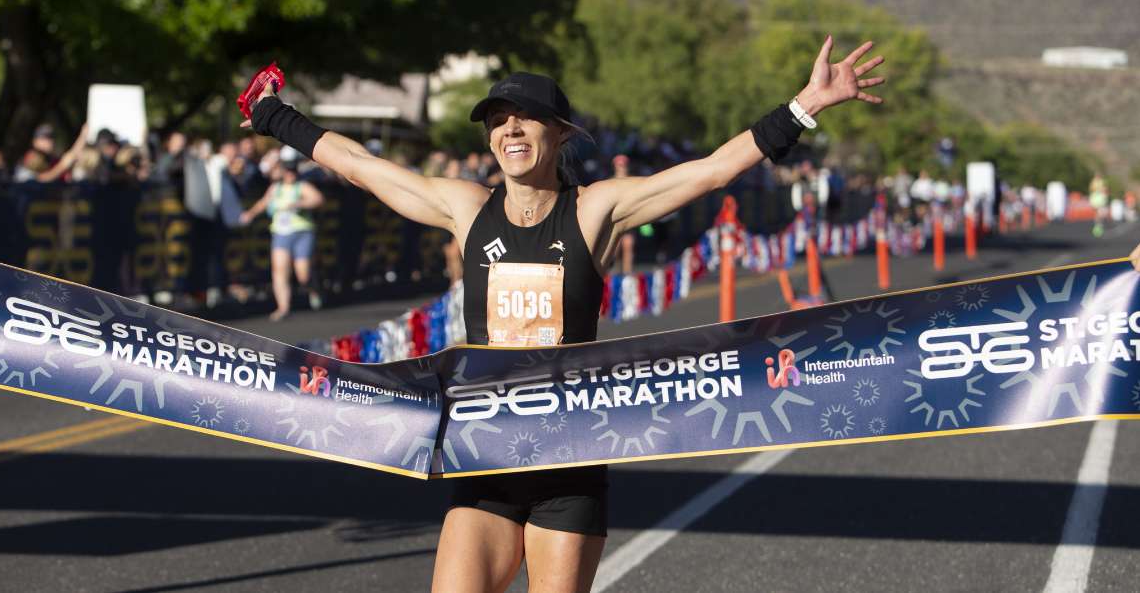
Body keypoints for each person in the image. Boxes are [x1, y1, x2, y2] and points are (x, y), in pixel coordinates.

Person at [243, 35, 884, 592]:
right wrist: (275, 116)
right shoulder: (466, 208)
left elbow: (710, 172)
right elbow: (362, 168)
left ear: (560, 133)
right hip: (486, 457)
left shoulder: (593, 210)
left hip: (570, 456)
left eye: (527, 119)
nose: (511, 131)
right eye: (498, 121)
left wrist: (805, 107)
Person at [240, 157, 325, 320]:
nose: (290, 175)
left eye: (293, 171)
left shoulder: (302, 187)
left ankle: (313, 288)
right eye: (288, 171)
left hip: (301, 232)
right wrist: (250, 214)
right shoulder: (276, 188)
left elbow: (318, 199)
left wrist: (299, 204)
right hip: (280, 233)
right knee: (279, 270)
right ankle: (283, 307)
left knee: (303, 274)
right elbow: (264, 202)